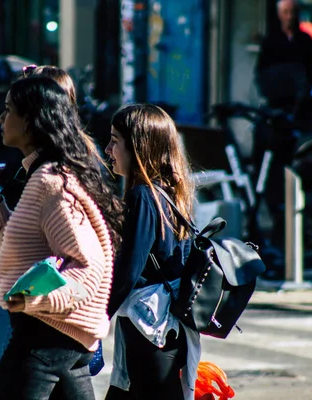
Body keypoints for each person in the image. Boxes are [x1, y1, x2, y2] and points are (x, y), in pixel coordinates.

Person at [0, 76, 122, 399]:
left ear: (32, 121)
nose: (0, 119)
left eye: (8, 110)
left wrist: (36, 299)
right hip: (59, 340)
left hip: (45, 338)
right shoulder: (43, 175)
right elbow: (11, 244)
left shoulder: (51, 181)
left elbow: (88, 267)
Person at [103, 104, 199, 399]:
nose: (108, 150)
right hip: (166, 329)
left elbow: (128, 272)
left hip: (149, 330)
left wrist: (96, 319)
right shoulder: (171, 195)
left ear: (138, 147)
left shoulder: (144, 196)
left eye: (115, 140)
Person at [255, 0, 312, 111]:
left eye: (293, 12)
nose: (290, 16)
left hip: (301, 101)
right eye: (286, 12)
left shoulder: (306, 40)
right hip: (276, 99)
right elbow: (262, 69)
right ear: (279, 14)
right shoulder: (271, 40)